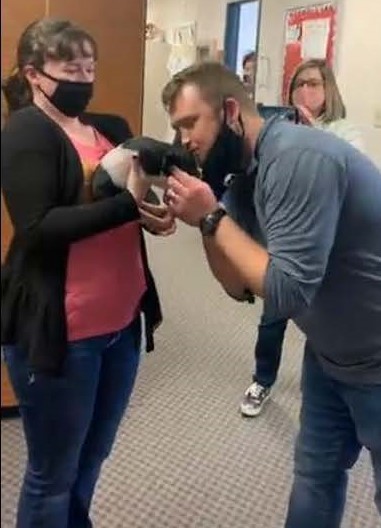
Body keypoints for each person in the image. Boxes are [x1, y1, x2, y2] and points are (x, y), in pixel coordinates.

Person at [160, 62, 381, 528]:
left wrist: (213, 220)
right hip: (329, 352)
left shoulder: (298, 158)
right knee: (315, 477)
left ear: (230, 111)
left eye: (189, 124)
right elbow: (236, 285)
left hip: (376, 354)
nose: (184, 141)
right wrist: (207, 219)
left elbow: (287, 292)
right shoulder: (243, 175)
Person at [1, 18, 174, 528]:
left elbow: (138, 199)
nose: (84, 76)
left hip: (120, 323)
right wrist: (129, 205)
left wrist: (154, 213)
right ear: (34, 74)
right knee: (52, 474)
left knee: (92, 458)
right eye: (70, 67)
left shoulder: (112, 128)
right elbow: (38, 229)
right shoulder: (25, 133)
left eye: (90, 66)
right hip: (65, 332)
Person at [240, 59, 366, 418]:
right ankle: (262, 379)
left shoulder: (345, 130)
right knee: (275, 312)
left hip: (334, 244)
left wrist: (314, 135)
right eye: (298, 85)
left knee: (327, 319)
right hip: (288, 236)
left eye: (313, 84)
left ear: (328, 89)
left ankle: (330, 391)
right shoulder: (280, 129)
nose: (305, 92)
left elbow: (352, 171)